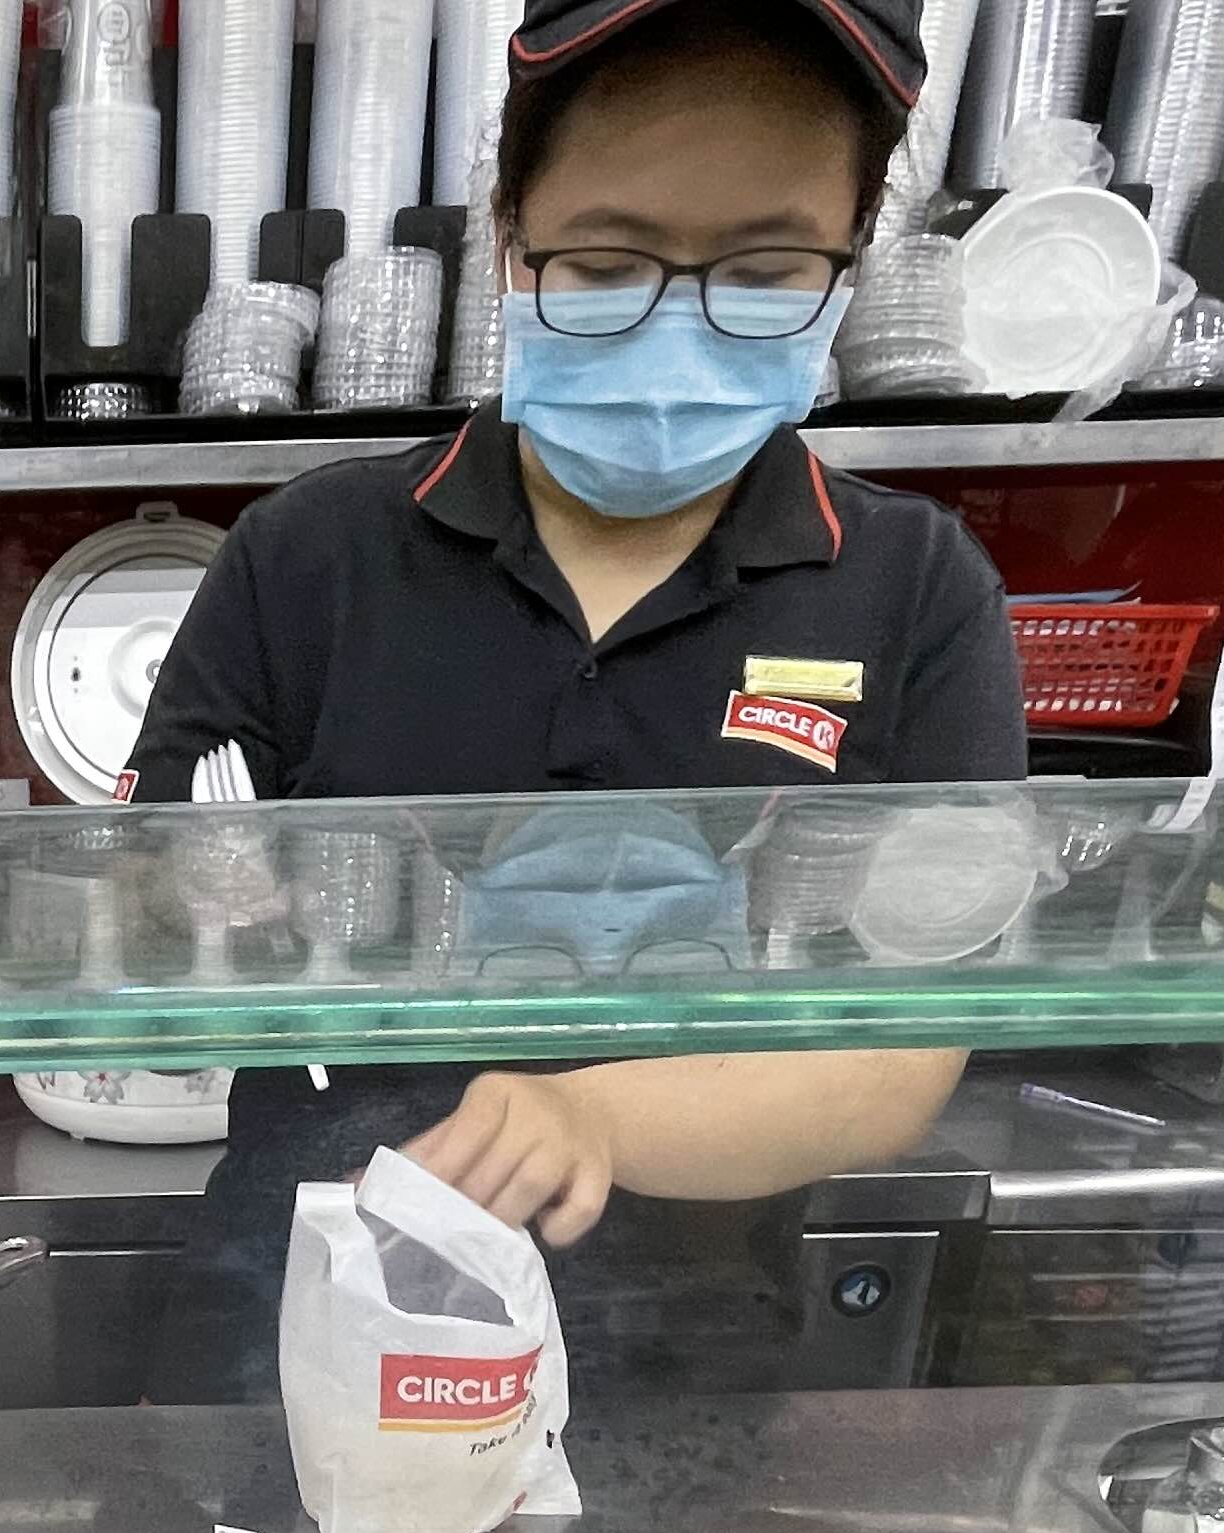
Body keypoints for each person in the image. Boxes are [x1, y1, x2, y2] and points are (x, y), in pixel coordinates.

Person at [125, 0, 1024, 1402]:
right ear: (510, 240)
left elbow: (900, 1055)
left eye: (765, 269)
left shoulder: (914, 588)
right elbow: (148, 902)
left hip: (685, 1353)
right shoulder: (312, 553)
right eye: (607, 264)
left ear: (853, 257)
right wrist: (197, 902)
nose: (679, 317)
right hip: (311, 1311)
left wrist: (591, 1115)